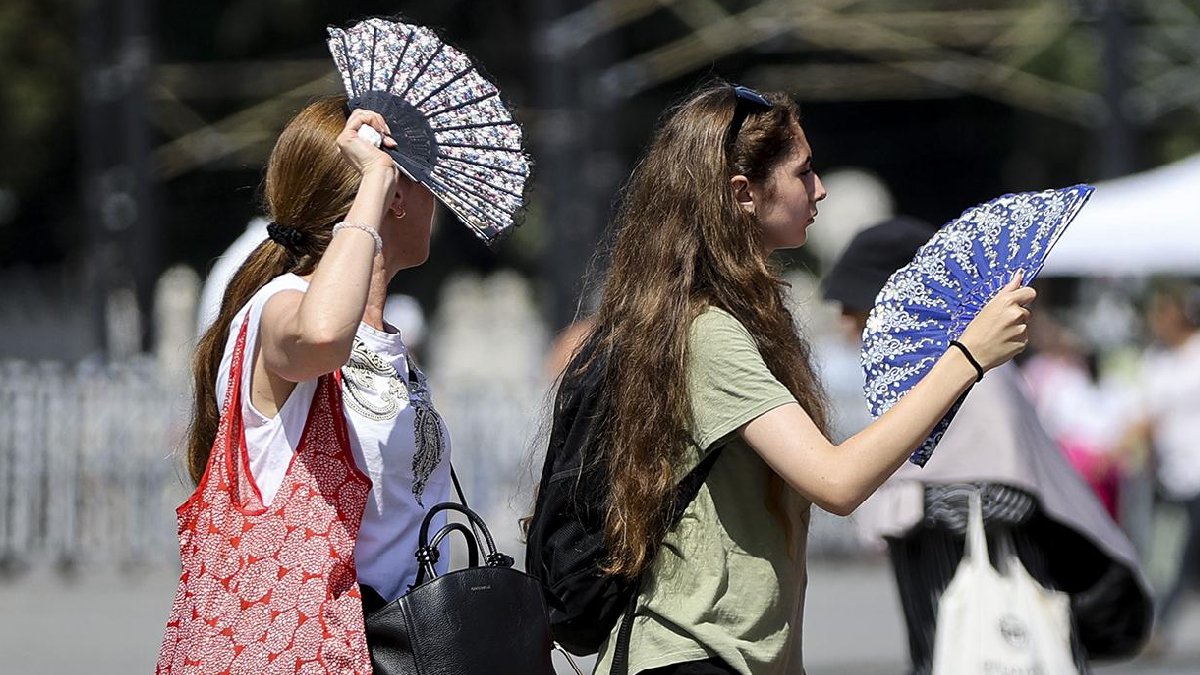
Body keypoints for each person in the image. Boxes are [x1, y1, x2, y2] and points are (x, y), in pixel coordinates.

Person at [555, 82, 1035, 675]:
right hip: (693, 657)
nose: (821, 188)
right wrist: (967, 358)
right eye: (803, 173)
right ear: (744, 194)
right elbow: (835, 481)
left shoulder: (723, 320)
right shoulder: (708, 334)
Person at [823, 217, 1152, 675]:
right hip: (947, 621)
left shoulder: (975, 370)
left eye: (853, 306)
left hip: (1000, 618)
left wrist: (905, 498)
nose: (844, 323)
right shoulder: (925, 374)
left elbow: (1010, 497)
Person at [1125, 281, 1200, 646]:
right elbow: (1147, 415)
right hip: (1174, 476)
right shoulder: (1156, 359)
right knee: (1168, 554)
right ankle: (1160, 624)